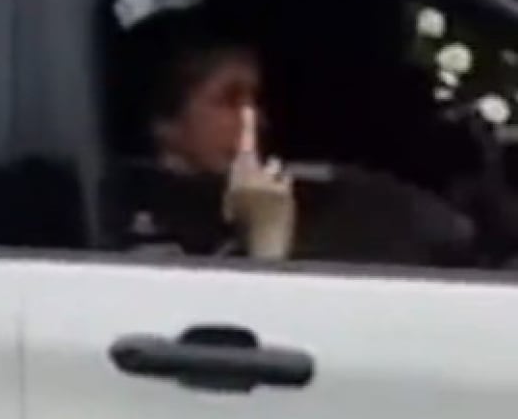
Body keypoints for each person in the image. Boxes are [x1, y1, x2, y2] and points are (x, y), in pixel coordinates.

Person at [108, 21, 476, 266]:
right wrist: (266, 235)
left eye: (255, 101)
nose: (254, 120)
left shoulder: (334, 196)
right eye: (230, 101)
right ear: (164, 124)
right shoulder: (134, 231)